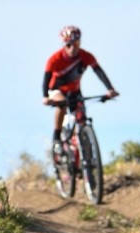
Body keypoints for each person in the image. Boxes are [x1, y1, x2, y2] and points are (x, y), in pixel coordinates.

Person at [42, 25, 119, 163]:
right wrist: (45, 97)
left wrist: (110, 89)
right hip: (56, 90)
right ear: (64, 44)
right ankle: (57, 137)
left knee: (82, 119)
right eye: (69, 44)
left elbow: (98, 71)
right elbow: (46, 79)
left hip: (75, 91)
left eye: (76, 44)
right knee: (63, 105)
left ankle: (84, 163)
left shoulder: (85, 56)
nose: (73, 48)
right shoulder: (54, 59)